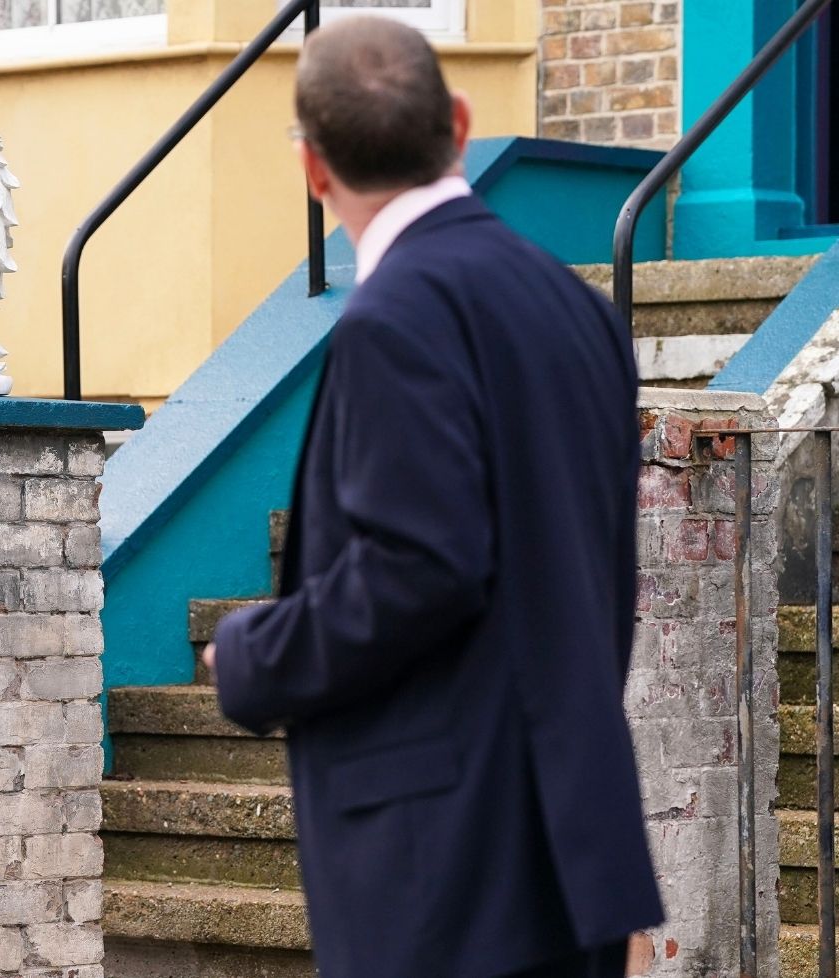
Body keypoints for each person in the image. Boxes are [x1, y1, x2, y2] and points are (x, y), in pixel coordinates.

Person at [203, 17, 664, 978]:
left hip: (447, 873)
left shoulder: (395, 317)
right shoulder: (579, 307)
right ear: (457, 123)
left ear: (312, 170)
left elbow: (421, 565)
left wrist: (252, 655)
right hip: (573, 850)